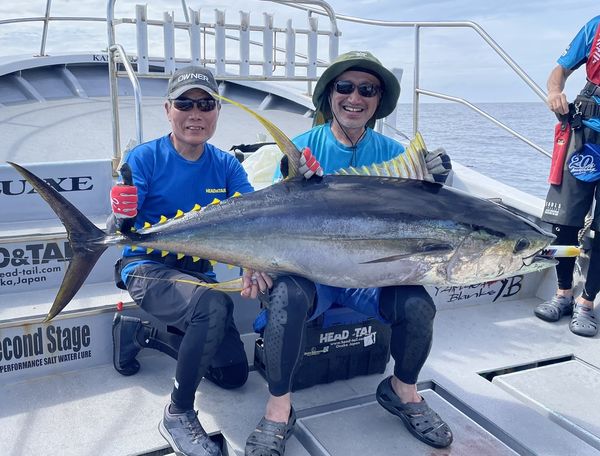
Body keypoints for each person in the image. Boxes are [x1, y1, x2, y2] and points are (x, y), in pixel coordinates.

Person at [243, 51, 453, 456]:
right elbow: (263, 218)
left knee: (417, 305)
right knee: (286, 297)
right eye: (345, 87)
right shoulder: (301, 149)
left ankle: (403, 390)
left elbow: (425, 221)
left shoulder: (399, 157)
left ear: (377, 101)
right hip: (311, 275)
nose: (355, 97)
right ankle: (278, 409)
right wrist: (252, 260)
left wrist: (435, 182)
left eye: (367, 89)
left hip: (369, 279)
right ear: (329, 96)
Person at [109, 65, 272, 456]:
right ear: (168, 109)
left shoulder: (227, 165)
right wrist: (121, 213)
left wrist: (255, 261)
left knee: (233, 375)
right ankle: (177, 413)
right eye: (185, 103)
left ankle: (140, 335)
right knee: (213, 306)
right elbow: (123, 225)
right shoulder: (145, 157)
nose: (195, 113)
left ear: (216, 112)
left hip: (198, 274)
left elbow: (253, 218)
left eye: (206, 104)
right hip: (145, 268)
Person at [534, 17, 600, 337]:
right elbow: (559, 71)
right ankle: (563, 294)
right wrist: (555, 91)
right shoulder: (595, 27)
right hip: (582, 134)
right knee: (564, 223)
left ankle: (586, 302)